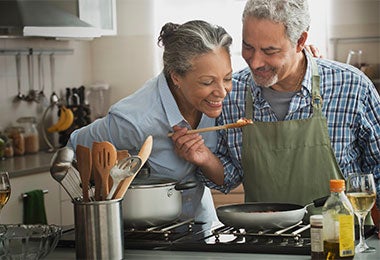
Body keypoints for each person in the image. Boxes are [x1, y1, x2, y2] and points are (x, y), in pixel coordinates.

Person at [174, 0, 380, 229]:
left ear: (300, 41)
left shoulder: (351, 86)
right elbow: (231, 176)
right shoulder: (233, 93)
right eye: (248, 46)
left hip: (340, 241)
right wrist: (204, 157)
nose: (255, 61)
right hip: (263, 241)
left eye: (269, 51)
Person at [67, 20, 234, 224]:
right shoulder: (134, 120)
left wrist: (205, 158)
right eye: (207, 82)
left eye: (227, 78)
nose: (222, 91)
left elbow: (226, 179)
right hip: (144, 231)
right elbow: (75, 148)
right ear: (176, 78)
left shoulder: (217, 104)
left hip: (201, 224)